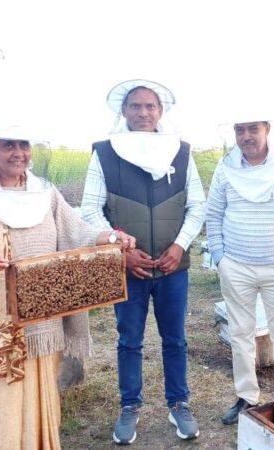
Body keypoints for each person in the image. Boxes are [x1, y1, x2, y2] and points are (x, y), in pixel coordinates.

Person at [0, 127, 135, 450]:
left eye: (23, 145)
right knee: (0, 407)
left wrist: (110, 237)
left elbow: (77, 231)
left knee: (42, 397)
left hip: (43, 320)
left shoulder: (44, 191)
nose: (18, 153)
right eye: (8, 145)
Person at [81, 79, 206, 444]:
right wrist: (120, 250)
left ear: (160, 110)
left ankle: (179, 403)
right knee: (129, 340)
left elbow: (197, 205)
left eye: (150, 106)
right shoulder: (105, 152)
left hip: (172, 266)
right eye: (135, 106)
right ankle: (130, 406)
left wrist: (179, 246)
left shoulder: (180, 151)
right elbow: (90, 209)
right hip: (128, 268)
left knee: (175, 339)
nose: (143, 112)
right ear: (123, 110)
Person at [205, 116, 274, 425]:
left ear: (267, 129)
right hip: (236, 266)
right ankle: (247, 397)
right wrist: (220, 258)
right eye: (240, 130)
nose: (246, 136)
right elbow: (214, 213)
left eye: (253, 129)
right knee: (240, 334)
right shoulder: (225, 167)